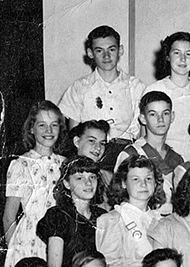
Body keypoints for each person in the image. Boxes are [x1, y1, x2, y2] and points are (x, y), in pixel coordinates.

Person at [0, 101, 67, 267]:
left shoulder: (65, 164)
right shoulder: (20, 164)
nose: (49, 130)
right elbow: (8, 216)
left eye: (54, 124)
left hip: (57, 239)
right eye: (42, 124)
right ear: (32, 130)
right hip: (28, 241)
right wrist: (16, 256)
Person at [58, 25, 144, 167]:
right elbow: (74, 134)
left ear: (120, 50)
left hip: (126, 154)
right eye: (99, 50)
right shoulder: (80, 87)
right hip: (92, 156)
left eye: (111, 49)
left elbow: (142, 133)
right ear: (90, 53)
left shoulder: (136, 86)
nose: (106, 56)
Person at [37, 157, 108, 267]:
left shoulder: (103, 216)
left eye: (92, 177)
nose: (88, 183)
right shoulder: (58, 216)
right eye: (80, 178)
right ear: (66, 183)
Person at [97, 155, 166, 267]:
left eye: (148, 179)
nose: (143, 184)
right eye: (135, 179)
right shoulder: (112, 220)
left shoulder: (161, 221)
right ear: (123, 183)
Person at [113, 91, 184, 207]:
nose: (160, 119)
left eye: (165, 113)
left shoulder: (177, 159)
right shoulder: (131, 153)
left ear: (172, 116)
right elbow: (120, 195)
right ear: (143, 118)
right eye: (153, 114)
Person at [145, 32, 190, 161]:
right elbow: (143, 136)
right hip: (160, 162)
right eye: (177, 53)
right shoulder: (153, 89)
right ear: (168, 56)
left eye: (188, 54)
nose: (183, 59)